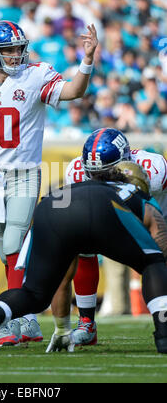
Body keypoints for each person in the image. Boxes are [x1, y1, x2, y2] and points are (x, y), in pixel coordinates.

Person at [0, 19, 98, 346]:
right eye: (9, 49)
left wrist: (87, 59)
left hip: (24, 172)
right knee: (3, 244)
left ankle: (18, 316)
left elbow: (74, 91)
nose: (17, 55)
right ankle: (25, 319)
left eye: (20, 48)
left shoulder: (37, 75)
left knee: (15, 241)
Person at [0, 162, 167, 356]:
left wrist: (63, 329)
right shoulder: (135, 193)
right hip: (103, 208)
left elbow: (63, 279)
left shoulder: (80, 184)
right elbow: (162, 248)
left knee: (35, 294)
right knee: (154, 263)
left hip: (51, 206)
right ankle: (164, 333)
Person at [48, 127, 167, 349]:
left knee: (157, 261)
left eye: (106, 172)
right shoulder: (75, 170)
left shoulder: (155, 168)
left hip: (155, 220)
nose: (99, 179)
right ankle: (86, 323)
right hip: (113, 218)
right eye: (93, 173)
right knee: (81, 244)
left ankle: (163, 323)